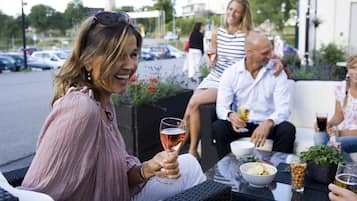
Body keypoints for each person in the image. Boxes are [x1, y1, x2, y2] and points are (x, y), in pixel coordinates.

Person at [20, 11, 206, 201]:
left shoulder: (103, 100)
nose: (129, 65)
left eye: (133, 54)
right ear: (87, 60)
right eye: (116, 55)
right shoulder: (81, 109)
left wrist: (147, 168)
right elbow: (34, 193)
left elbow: (118, 172)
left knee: (189, 163)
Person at [183, 0, 254, 159]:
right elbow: (212, 51)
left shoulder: (248, 35)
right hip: (214, 75)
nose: (231, 13)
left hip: (229, 81)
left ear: (243, 14)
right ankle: (189, 147)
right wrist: (211, 59)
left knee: (194, 102)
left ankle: (188, 147)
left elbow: (257, 58)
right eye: (230, 9)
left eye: (236, 11)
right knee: (193, 102)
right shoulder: (217, 32)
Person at [212, 31, 296, 159]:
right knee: (219, 127)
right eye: (265, 53)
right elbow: (221, 107)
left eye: (270, 51)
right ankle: (228, 171)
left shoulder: (277, 72)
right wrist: (230, 115)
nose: (271, 55)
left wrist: (268, 122)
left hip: (267, 125)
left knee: (287, 129)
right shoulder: (231, 73)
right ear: (249, 52)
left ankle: (276, 172)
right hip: (242, 125)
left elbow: (284, 108)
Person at [314, 54, 357, 154]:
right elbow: (339, 116)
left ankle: (349, 169)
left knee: (334, 144)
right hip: (344, 135)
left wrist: (340, 133)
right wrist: (327, 125)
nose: (356, 72)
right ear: (348, 69)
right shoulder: (341, 87)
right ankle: (325, 169)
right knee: (319, 135)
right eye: (353, 68)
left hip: (350, 136)